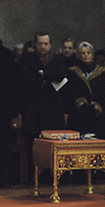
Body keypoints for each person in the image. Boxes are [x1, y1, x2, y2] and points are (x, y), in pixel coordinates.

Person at [18, 32, 67, 176]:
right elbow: (26, 79)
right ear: (35, 44)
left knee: (53, 142)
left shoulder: (57, 59)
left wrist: (43, 74)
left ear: (50, 45)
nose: (43, 47)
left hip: (53, 108)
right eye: (40, 44)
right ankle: (33, 175)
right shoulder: (27, 59)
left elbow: (61, 75)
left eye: (46, 44)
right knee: (33, 142)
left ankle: (53, 175)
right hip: (33, 107)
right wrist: (45, 77)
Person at [64, 41, 105, 139]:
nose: (86, 55)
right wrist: (81, 102)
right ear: (79, 55)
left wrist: (95, 104)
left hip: (97, 112)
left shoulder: (103, 72)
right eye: (83, 53)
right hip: (79, 112)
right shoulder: (73, 71)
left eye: (88, 53)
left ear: (93, 55)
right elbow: (72, 90)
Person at [0, 38, 18, 187]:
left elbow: (13, 86)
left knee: (2, 143)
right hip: (4, 109)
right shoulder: (8, 55)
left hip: (3, 108)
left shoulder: (7, 56)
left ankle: (3, 177)